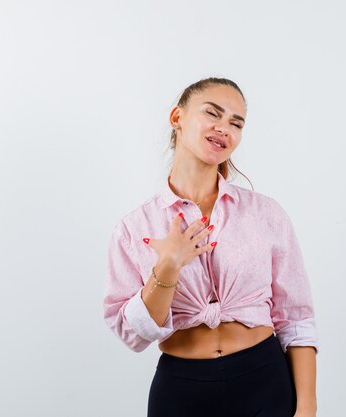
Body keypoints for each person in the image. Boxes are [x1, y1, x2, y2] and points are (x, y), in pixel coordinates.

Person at [103, 77, 319, 417]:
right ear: (178, 118)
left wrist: (307, 407)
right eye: (213, 114)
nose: (224, 129)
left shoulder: (265, 214)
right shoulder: (134, 228)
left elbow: (296, 318)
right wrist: (167, 268)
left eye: (236, 123)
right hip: (181, 392)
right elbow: (134, 336)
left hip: (264, 381)